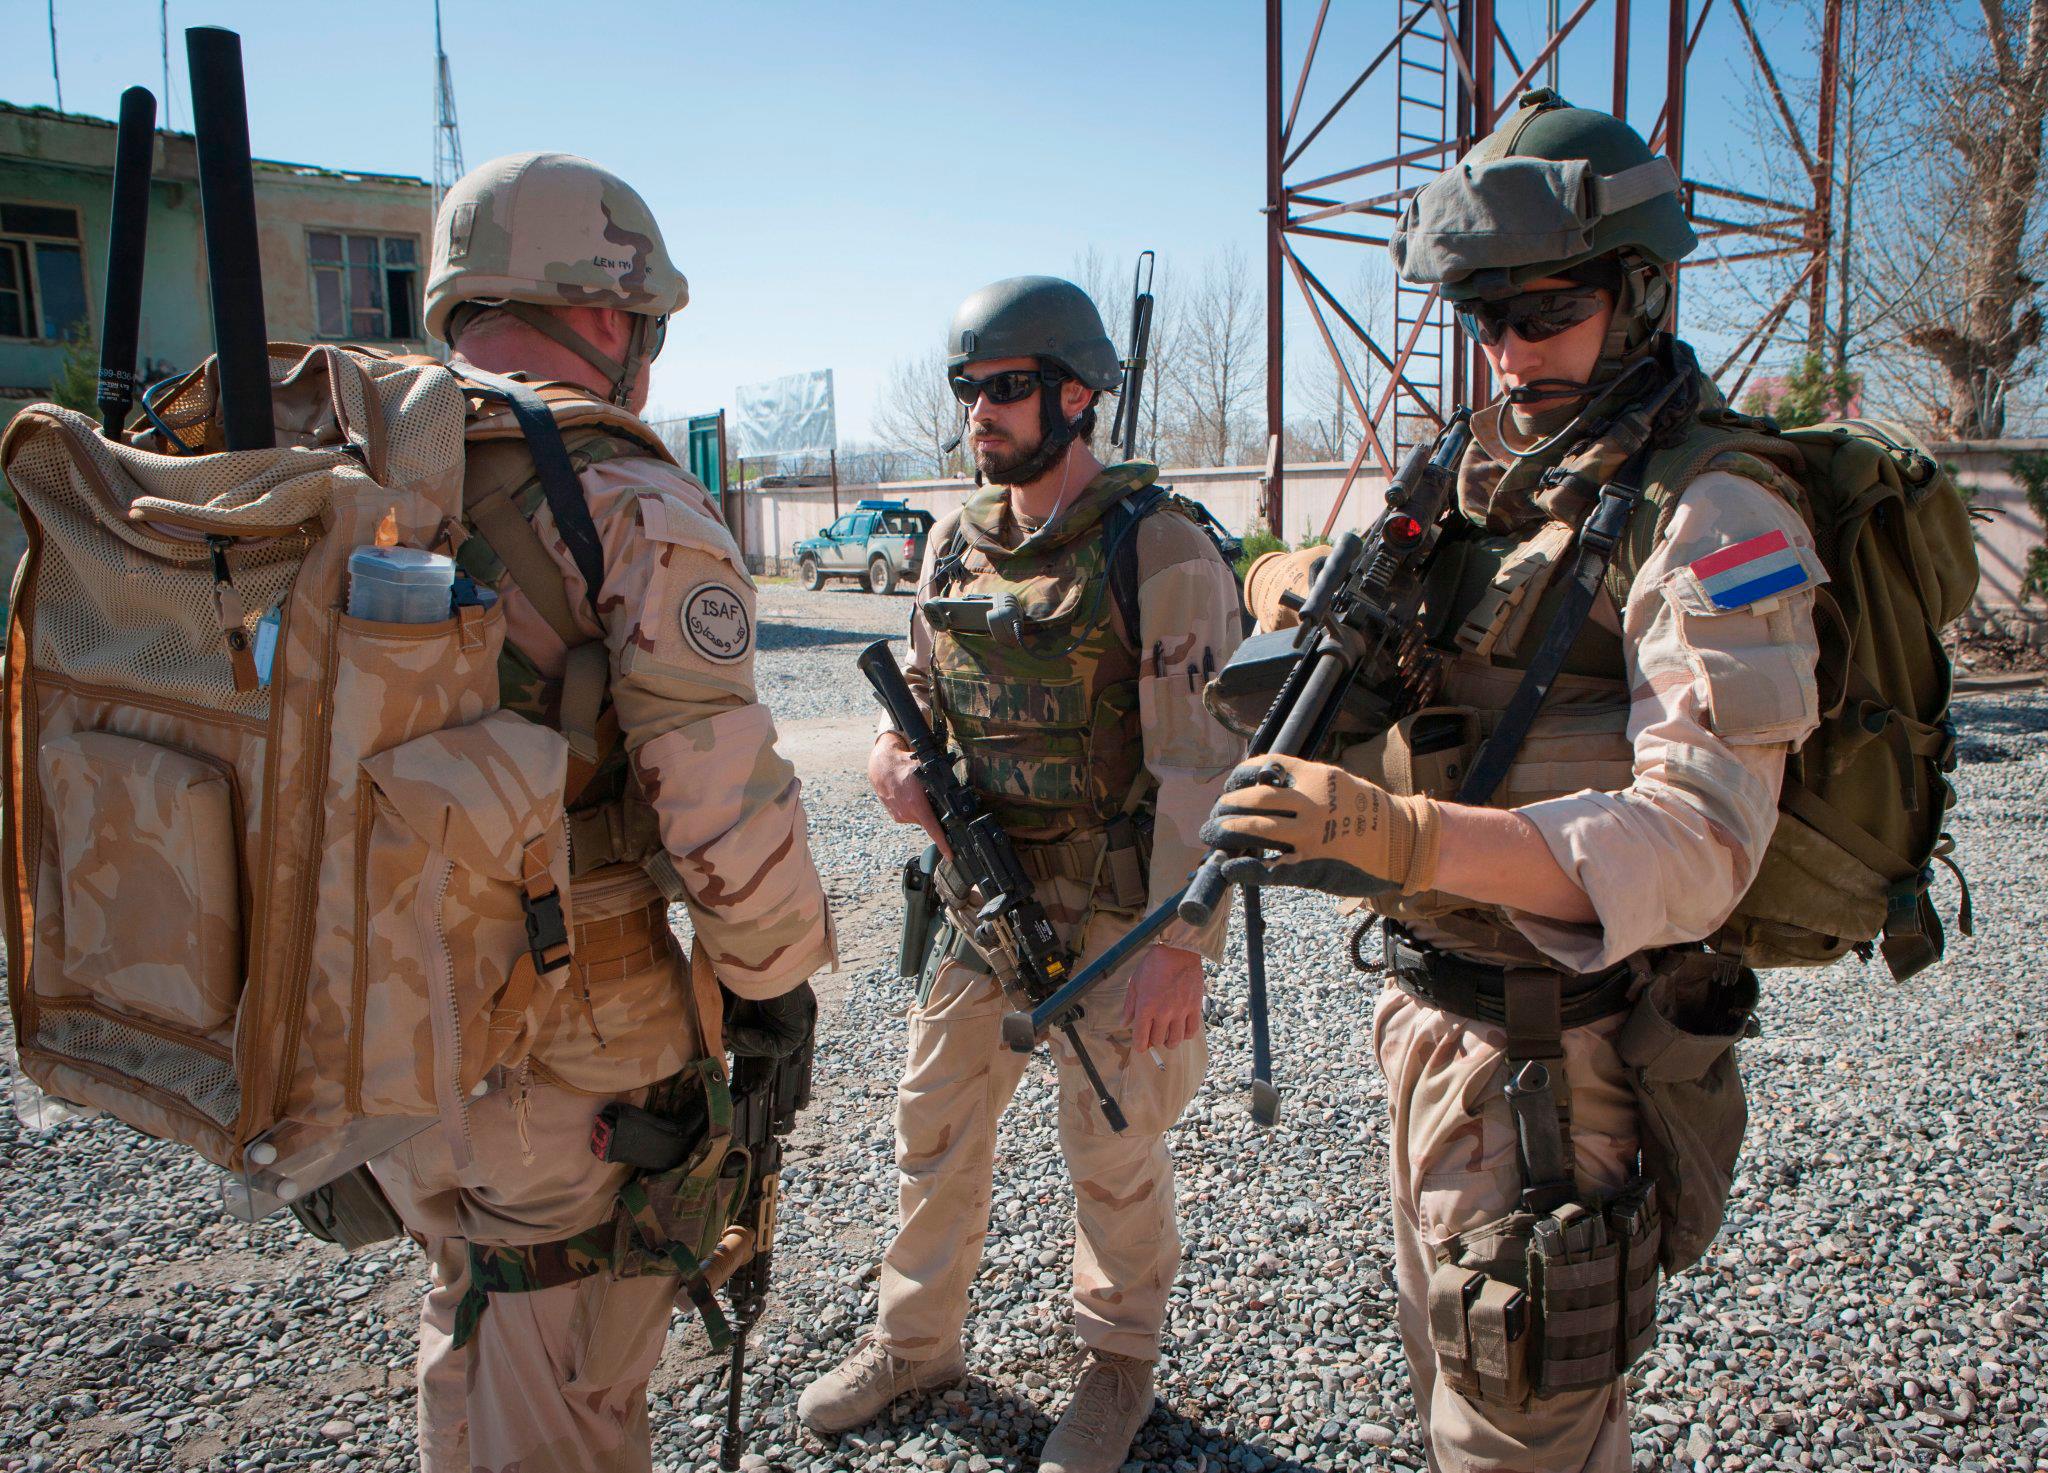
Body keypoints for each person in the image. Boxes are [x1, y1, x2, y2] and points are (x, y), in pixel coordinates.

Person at [1203, 91, 1824, 1472]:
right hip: (1433, 1022)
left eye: (1541, 310)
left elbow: (1700, 840)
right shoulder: (1497, 478)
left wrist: (1396, 831)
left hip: (1566, 1064)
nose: (1507, 350)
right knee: (1457, 1396)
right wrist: (1276, 577)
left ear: (1642, 293)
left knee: (1518, 1438)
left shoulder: (1719, 516)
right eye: (1483, 317)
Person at [366, 151, 834, 1473]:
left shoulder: (368, 482)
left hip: (387, 1027)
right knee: (563, 1385)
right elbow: (723, 816)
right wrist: (775, 991)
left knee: (472, 1320)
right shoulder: (624, 500)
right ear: (609, 317)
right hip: (562, 1061)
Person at [797, 277, 1242, 1472]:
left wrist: (1177, 947)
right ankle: (915, 1341)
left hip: (1111, 913)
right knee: (930, 1128)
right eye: (968, 392)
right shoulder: (954, 539)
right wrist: (894, 768)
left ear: (1076, 395)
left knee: (1112, 1149)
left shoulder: (1158, 548)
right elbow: (921, 700)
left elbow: (1203, 768)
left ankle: (1115, 1361)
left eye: (1002, 390)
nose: (977, 416)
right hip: (977, 903)